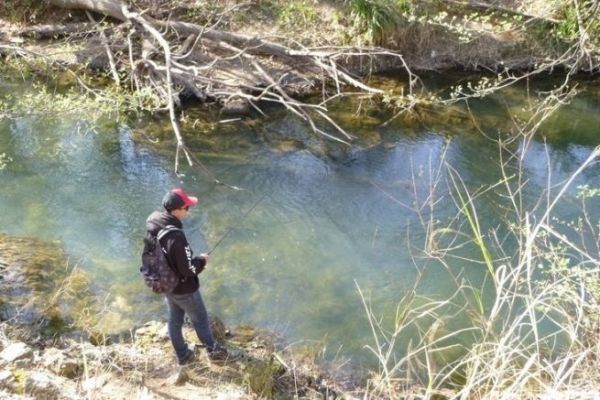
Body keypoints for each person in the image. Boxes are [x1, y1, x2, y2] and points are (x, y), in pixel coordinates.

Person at [144, 187, 228, 365]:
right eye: (186, 208)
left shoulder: (154, 225)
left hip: (166, 283)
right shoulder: (175, 236)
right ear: (175, 210)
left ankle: (183, 354)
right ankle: (214, 352)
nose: (188, 211)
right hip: (183, 288)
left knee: (175, 318)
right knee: (201, 320)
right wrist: (202, 261)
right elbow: (188, 270)